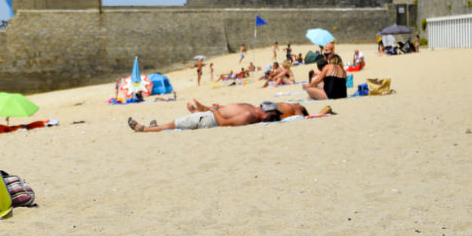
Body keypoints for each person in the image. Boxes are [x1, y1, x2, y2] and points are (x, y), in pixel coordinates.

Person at [128, 99, 330, 132]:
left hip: (208, 119)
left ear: (264, 114)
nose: (262, 106)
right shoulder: (253, 110)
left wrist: (213, 111)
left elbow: (224, 122)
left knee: (177, 123)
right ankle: (155, 128)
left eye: (264, 107)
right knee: (175, 123)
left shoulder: (249, 118)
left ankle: (145, 129)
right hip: (209, 113)